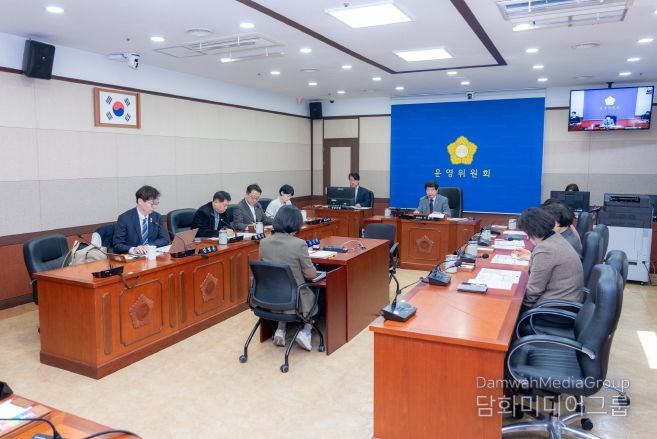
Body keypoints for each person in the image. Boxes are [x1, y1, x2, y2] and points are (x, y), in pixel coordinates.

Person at [259, 205, 318, 350]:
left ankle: (280, 329)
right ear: (296, 223)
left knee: (282, 284)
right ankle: (306, 332)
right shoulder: (299, 244)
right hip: (294, 299)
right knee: (318, 291)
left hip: (269, 296)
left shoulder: (264, 242)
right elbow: (310, 274)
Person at [511, 207, 583, 311]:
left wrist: (513, 302)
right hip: (566, 300)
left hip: (554, 309)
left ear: (531, 232)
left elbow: (533, 293)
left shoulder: (545, 250)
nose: (527, 237)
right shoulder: (556, 238)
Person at [113, 185, 170, 254]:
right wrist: (134, 249)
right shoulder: (125, 218)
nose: (154, 207)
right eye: (151, 204)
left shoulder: (157, 217)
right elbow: (117, 245)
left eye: (156, 204)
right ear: (140, 201)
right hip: (134, 258)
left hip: (152, 255)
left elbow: (165, 239)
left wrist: (148, 246)